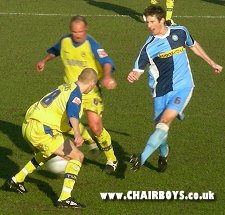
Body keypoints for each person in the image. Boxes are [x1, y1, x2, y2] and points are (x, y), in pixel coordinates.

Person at [127, 5, 222, 172]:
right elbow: (137, 70)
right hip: (159, 92)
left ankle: (142, 157)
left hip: (182, 87)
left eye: (152, 22)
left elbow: (193, 45)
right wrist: (133, 75)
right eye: (147, 22)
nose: (149, 26)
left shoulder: (180, 31)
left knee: (164, 122)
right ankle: (164, 153)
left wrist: (211, 62)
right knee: (160, 127)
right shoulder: (148, 47)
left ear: (162, 20)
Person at [4, 68, 98, 208]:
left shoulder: (65, 87)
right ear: (91, 84)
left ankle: (17, 180)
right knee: (77, 156)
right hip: (42, 130)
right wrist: (77, 135)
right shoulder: (76, 95)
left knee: (46, 154)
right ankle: (65, 198)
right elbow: (73, 115)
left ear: (79, 77)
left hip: (28, 125)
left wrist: (89, 140)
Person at [36, 15, 118, 173]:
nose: (77, 35)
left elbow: (106, 61)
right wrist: (44, 61)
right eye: (74, 32)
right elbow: (55, 51)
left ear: (85, 30)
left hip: (91, 91)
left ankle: (111, 159)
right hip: (71, 92)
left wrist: (107, 77)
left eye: (80, 32)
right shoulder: (65, 41)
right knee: (63, 125)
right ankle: (66, 149)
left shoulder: (91, 44)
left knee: (95, 127)